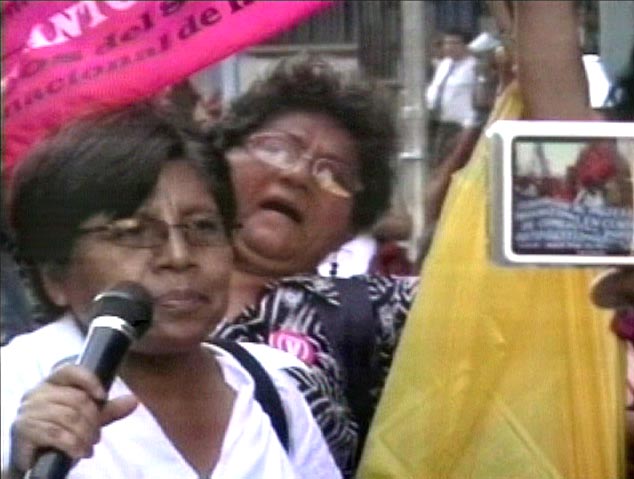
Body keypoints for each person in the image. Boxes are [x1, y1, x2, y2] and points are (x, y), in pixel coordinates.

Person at [0, 102, 341, 479]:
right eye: (133, 232)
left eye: (203, 227)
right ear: (55, 276)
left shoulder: (272, 387)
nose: (179, 257)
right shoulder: (13, 388)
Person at [210, 55, 419, 476]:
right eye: (276, 148)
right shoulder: (120, 290)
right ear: (217, 162)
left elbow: (549, 282)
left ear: (352, 226)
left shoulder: (373, 314)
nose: (298, 175)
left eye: (334, 174)